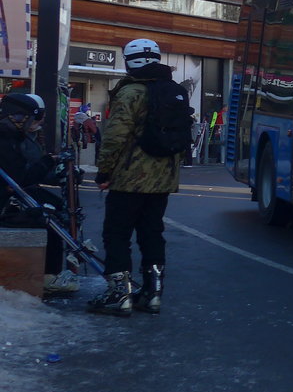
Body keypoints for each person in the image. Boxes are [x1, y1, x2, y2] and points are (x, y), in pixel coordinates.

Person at [89, 39, 183, 317]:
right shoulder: (173, 91)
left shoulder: (130, 92)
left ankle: (119, 294)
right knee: (152, 232)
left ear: (129, 61)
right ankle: (152, 293)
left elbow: (116, 135)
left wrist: (104, 171)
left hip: (130, 179)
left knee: (116, 233)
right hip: (163, 179)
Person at [0, 92, 79, 296]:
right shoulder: (5, 141)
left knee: (53, 207)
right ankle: (48, 275)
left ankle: (51, 272)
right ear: (17, 117)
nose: (34, 125)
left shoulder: (15, 137)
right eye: (32, 119)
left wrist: (55, 167)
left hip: (11, 196)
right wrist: (49, 162)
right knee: (46, 216)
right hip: (5, 202)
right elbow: (20, 178)